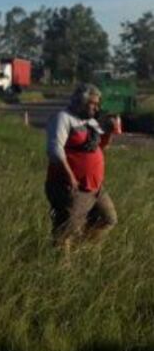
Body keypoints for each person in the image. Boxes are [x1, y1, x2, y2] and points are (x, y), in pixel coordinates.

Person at [45, 83, 120, 253]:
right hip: (72, 185)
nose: (96, 107)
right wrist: (70, 176)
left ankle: (79, 249)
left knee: (108, 219)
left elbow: (99, 147)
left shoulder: (91, 120)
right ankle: (61, 265)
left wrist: (109, 132)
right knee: (66, 230)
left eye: (97, 103)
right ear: (80, 101)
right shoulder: (63, 118)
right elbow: (54, 149)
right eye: (91, 103)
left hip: (94, 186)